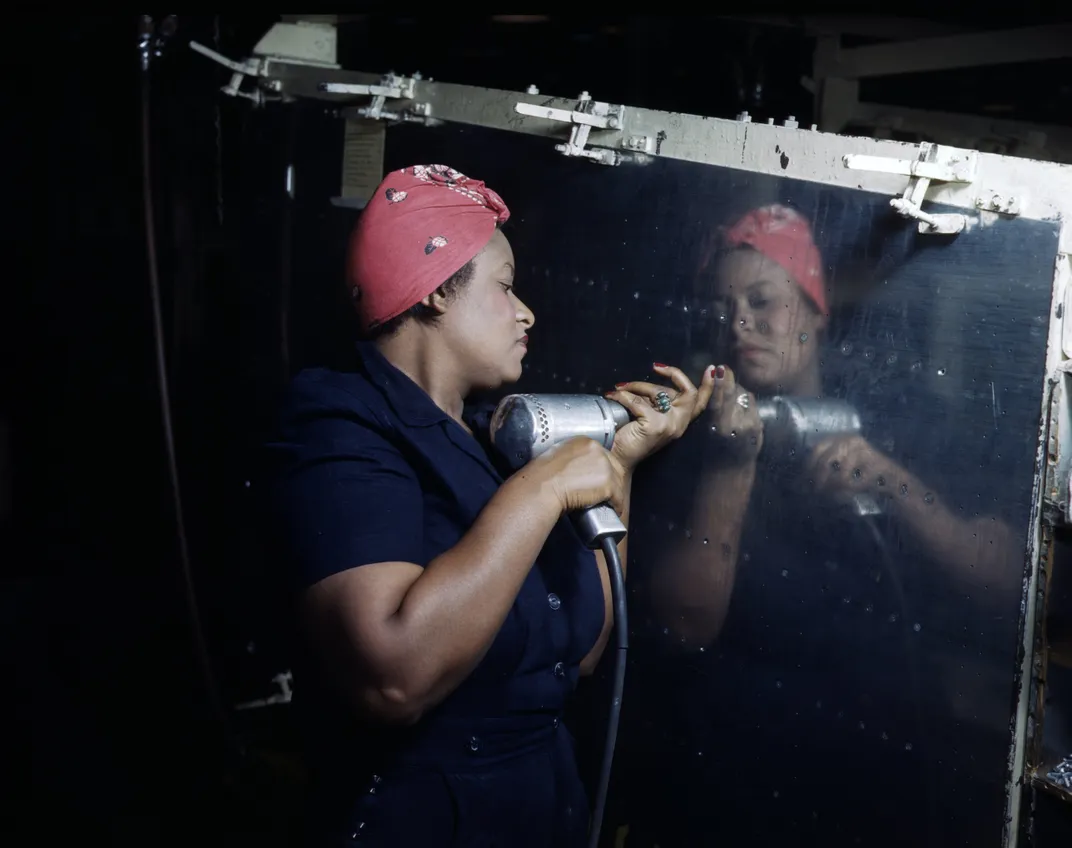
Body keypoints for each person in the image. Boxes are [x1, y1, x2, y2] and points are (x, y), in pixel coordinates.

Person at [260, 163, 715, 847]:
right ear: (439, 290)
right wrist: (542, 489)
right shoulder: (340, 424)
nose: (526, 310)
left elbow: (585, 654)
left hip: (540, 803)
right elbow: (392, 678)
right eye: (504, 287)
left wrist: (618, 464)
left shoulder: (483, 439)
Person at [616, 204, 1024, 846]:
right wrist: (732, 462)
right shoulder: (685, 437)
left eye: (763, 299)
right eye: (722, 306)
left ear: (813, 310)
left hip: (877, 771)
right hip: (730, 774)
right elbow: (683, 622)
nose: (740, 321)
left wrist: (894, 485)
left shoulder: (898, 413)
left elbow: (1006, 584)